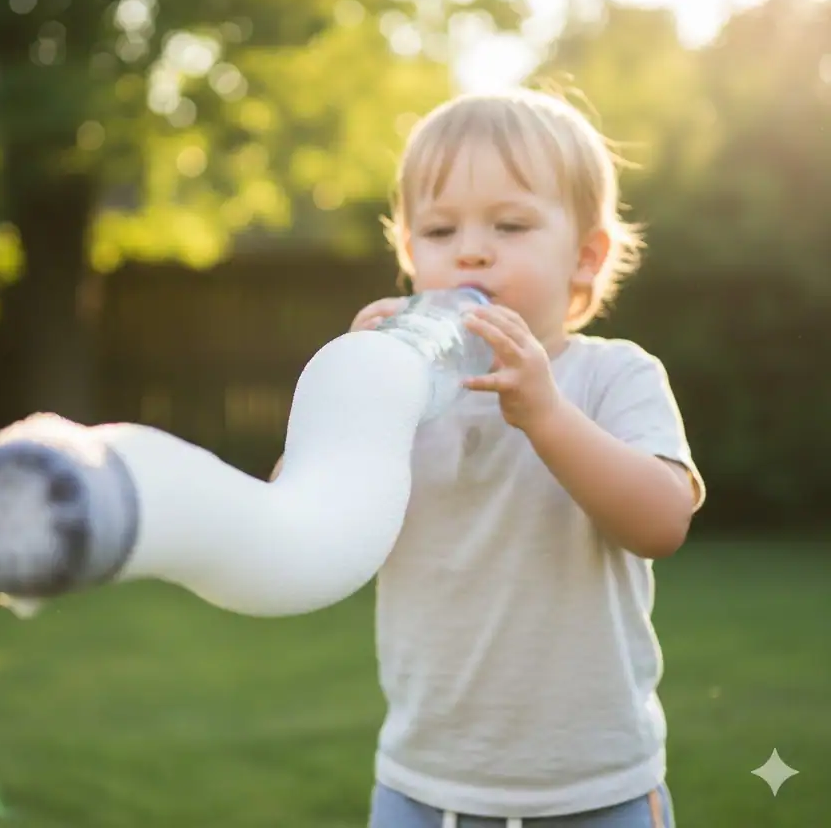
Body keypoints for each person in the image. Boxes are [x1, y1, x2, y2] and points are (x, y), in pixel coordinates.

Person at [273, 89, 704, 827]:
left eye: (510, 225)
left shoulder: (612, 376)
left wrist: (546, 415)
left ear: (585, 257)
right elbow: (297, 530)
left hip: (594, 788)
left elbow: (662, 523)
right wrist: (347, 400)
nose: (471, 250)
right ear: (411, 257)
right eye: (440, 230)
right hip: (423, 785)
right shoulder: (398, 399)